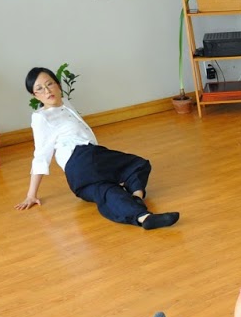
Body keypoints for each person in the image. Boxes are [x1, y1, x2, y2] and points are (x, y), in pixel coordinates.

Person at [15, 66, 179, 229]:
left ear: (57, 84)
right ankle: (136, 197)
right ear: (34, 95)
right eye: (39, 89)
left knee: (107, 191)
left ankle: (143, 216)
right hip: (82, 158)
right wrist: (31, 195)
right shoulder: (41, 117)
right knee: (137, 165)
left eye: (49, 84)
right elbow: (41, 156)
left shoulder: (65, 104)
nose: (46, 91)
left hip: (79, 177)